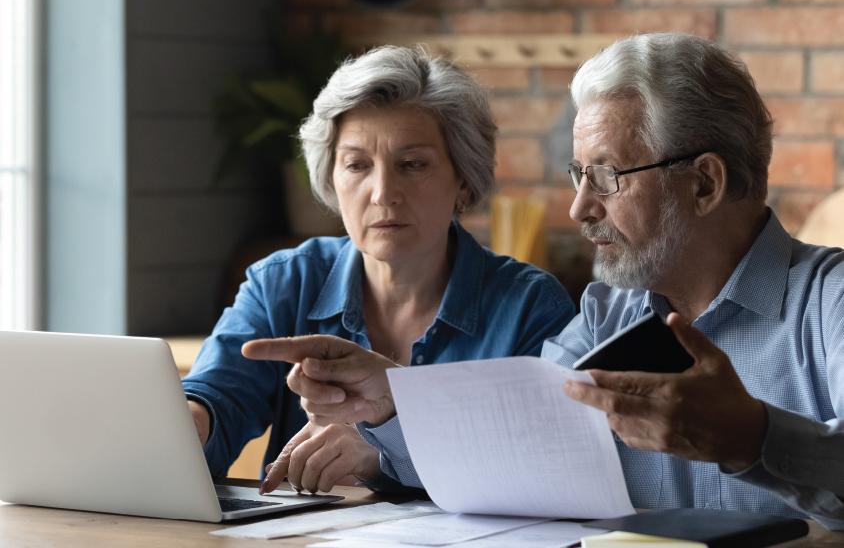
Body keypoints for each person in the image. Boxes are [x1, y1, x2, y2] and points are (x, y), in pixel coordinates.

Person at [257, 34, 844, 530]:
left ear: (705, 184)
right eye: (578, 175)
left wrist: (751, 438)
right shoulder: (604, 316)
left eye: (607, 177)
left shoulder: (829, 303)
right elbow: (507, 456)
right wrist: (393, 401)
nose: (579, 208)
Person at [181, 45, 576, 494]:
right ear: (332, 179)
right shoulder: (284, 283)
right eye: (357, 165)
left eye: (412, 165)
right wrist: (189, 426)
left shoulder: (530, 307)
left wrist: (386, 454)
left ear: (463, 181)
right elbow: (218, 395)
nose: (383, 192)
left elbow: (544, 465)